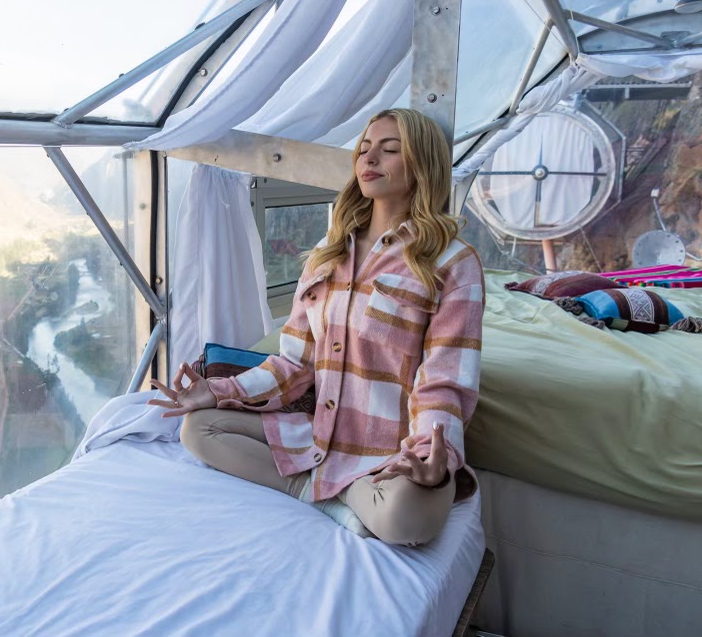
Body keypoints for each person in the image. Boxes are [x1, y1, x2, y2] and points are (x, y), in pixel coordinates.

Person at [149, 108, 484, 545]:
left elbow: (444, 380)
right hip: (319, 435)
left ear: (422, 162)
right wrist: (217, 391)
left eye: (389, 150)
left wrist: (430, 457)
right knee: (198, 429)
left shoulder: (452, 262)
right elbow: (294, 365)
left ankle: (341, 489)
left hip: (389, 453)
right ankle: (323, 496)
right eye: (363, 149)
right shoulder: (328, 253)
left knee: (407, 520)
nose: (369, 159)